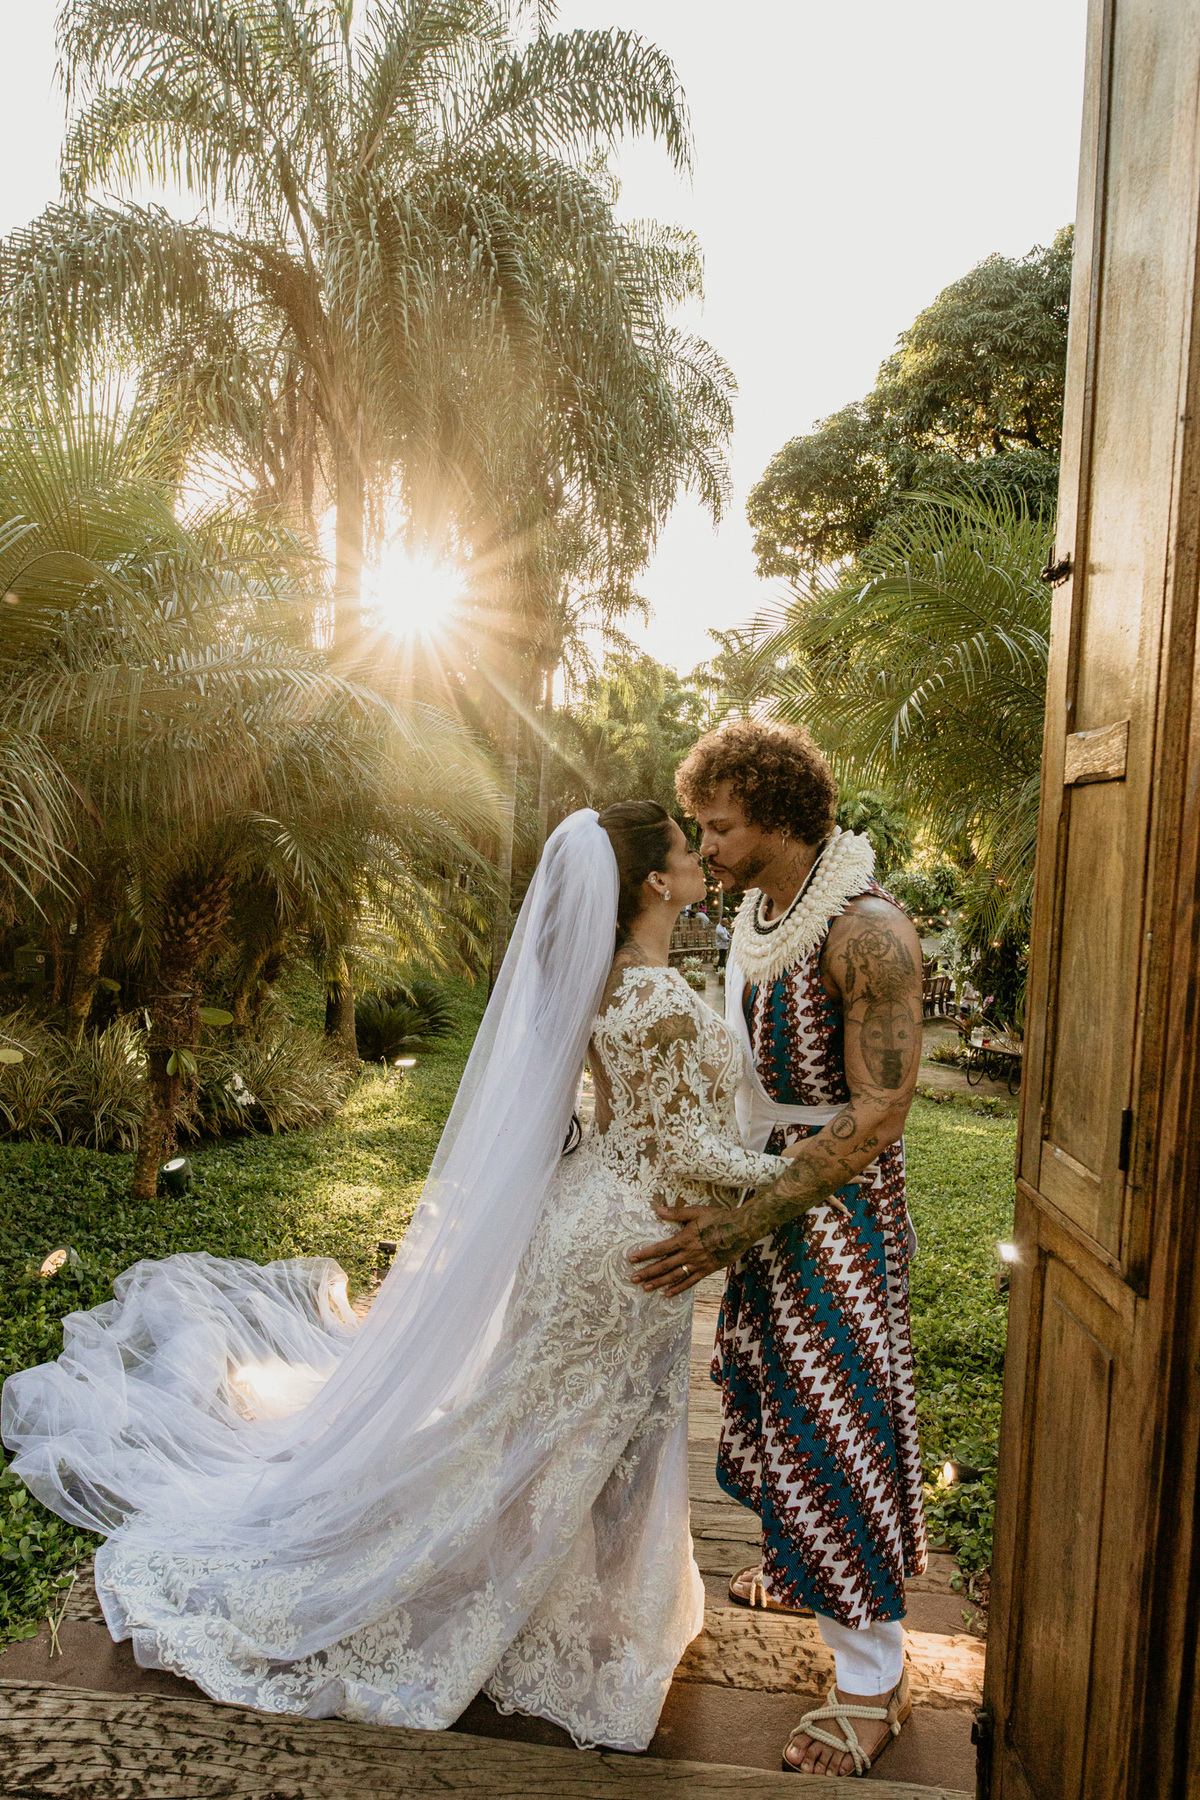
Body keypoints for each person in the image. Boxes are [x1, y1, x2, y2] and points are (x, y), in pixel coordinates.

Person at [2, 803, 828, 1753]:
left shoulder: (609, 980)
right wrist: (804, 1170)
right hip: (624, 1247)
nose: (701, 860)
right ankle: (522, 1598)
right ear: (653, 880)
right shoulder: (653, 996)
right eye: (688, 849)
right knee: (568, 1423)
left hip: (598, 1219)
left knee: (553, 1421)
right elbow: (683, 1147)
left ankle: (565, 1594)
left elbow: (632, 1123)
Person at [629, 722, 927, 1780]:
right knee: (775, 1400)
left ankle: (874, 1680)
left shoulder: (868, 930)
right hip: (767, 1194)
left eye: (719, 827)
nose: (704, 846)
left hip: (835, 1216)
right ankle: (803, 1568)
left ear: (779, 819)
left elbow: (880, 1110)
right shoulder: (762, 915)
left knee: (838, 1423)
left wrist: (746, 1220)